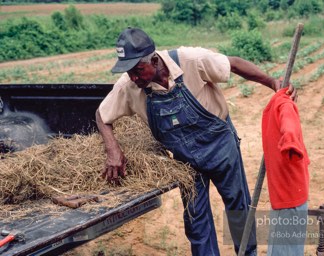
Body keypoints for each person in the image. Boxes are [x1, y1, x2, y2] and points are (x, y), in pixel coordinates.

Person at [95, 27, 296, 256]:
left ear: (154, 58)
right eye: (128, 71)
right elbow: (101, 116)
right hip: (185, 161)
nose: (133, 77)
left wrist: (272, 82)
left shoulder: (191, 60)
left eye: (138, 70)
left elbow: (234, 64)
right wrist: (113, 149)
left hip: (220, 146)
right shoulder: (128, 86)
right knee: (196, 223)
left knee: (239, 209)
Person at [261, 87, 309, 256]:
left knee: (284, 247)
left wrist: (290, 142)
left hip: (288, 195)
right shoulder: (281, 103)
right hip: (290, 190)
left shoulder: (283, 104)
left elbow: (289, 126)